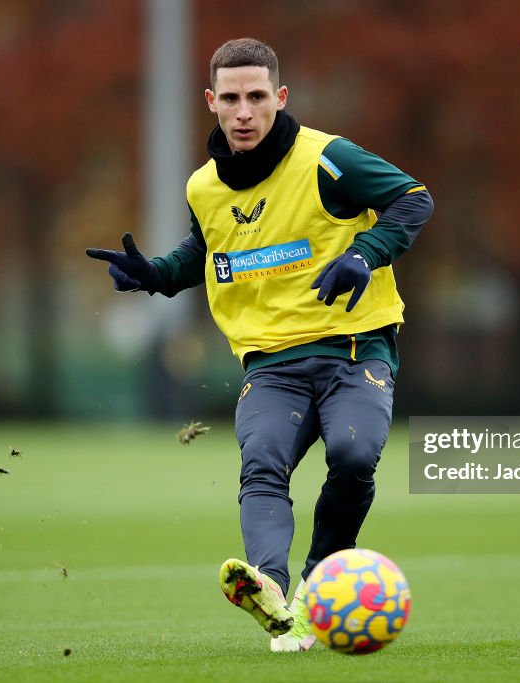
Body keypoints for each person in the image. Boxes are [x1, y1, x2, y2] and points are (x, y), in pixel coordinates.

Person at [86, 37, 433, 652]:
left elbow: (413, 198)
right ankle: (271, 594)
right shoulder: (202, 187)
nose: (243, 111)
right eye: (230, 99)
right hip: (270, 365)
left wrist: (365, 252)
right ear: (210, 103)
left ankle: (310, 594)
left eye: (255, 97)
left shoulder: (330, 159)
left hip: (355, 351)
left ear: (280, 98)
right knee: (263, 465)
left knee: (354, 458)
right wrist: (159, 275)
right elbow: (208, 252)